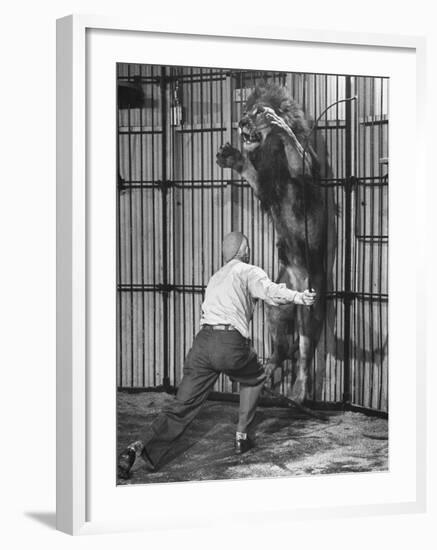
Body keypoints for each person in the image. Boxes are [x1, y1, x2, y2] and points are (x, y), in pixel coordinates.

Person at [117, 231, 316, 479]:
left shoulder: (215, 277)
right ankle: (242, 436)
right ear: (244, 249)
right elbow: (269, 291)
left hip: (202, 345)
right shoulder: (248, 271)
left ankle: (136, 448)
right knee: (253, 377)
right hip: (229, 343)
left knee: (182, 405)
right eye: (248, 247)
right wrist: (299, 297)